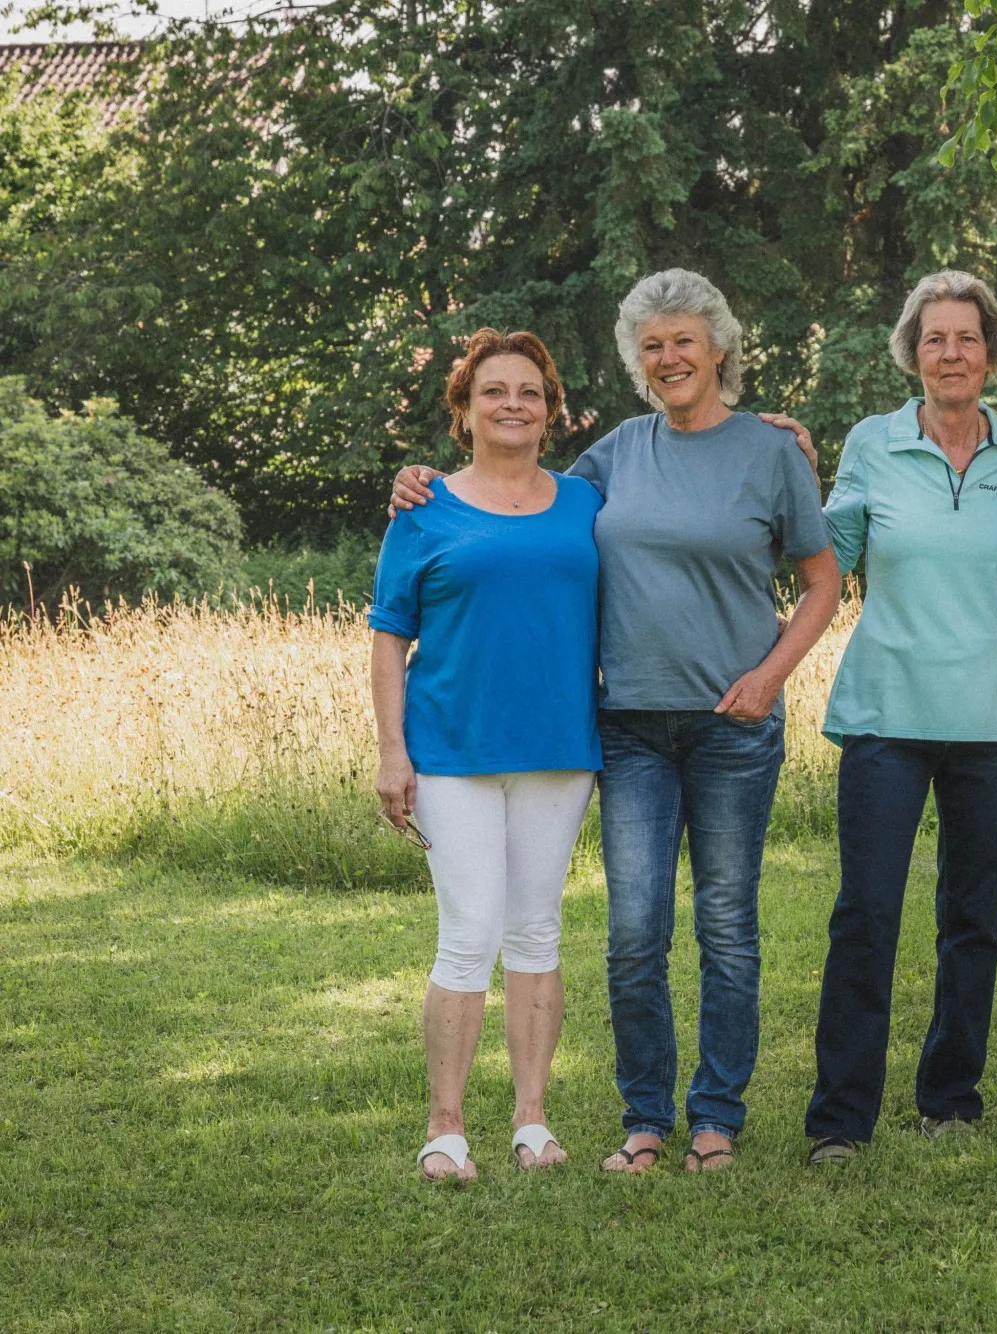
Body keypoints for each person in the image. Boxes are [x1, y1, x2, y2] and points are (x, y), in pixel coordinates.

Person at [389, 270, 839, 1174]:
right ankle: (644, 1121)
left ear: (719, 348)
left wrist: (769, 677)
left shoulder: (771, 451)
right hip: (627, 726)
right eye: (652, 345)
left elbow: (823, 580)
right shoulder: (613, 459)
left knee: (727, 926)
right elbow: (518, 494)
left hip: (732, 725)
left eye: (684, 340)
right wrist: (420, 478)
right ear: (640, 362)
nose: (669, 357)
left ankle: (715, 1117)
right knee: (635, 931)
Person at [800, 272, 997, 1166]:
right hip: (886, 713)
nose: (951, 353)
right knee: (866, 914)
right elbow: (834, 553)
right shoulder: (872, 441)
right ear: (912, 351)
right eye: (934, 338)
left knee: (971, 919)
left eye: (967, 338)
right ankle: (839, 1120)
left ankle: (951, 1097)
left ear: (991, 351)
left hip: (993, 720)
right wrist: (792, 479)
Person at [369, 329, 603, 1181]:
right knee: (468, 931)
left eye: (530, 392)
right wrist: (392, 753)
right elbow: (391, 637)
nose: (513, 404)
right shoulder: (422, 508)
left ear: (551, 410)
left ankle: (533, 1123)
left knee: (537, 928)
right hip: (450, 751)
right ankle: (446, 1130)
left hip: (559, 748)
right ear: (463, 411)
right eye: (494, 391)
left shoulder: (585, 502)